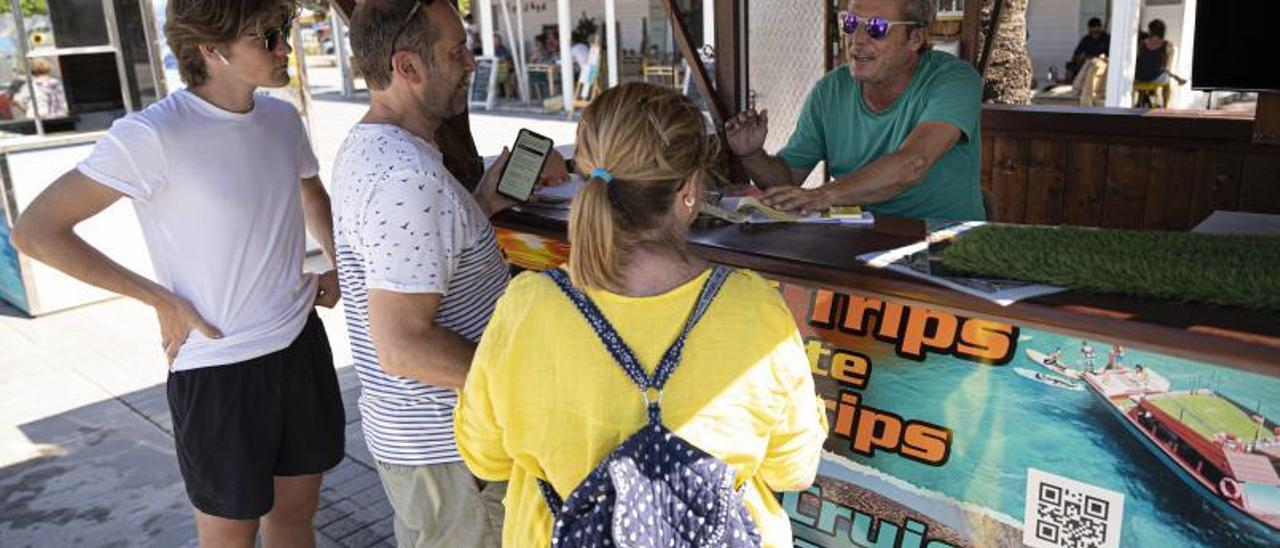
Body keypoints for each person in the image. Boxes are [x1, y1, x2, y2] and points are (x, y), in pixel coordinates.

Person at [10, 1, 344, 546]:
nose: (285, 46)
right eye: (268, 36)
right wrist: (160, 299)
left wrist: (334, 259)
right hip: (218, 368)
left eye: (284, 31)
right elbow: (37, 231)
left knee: (295, 517)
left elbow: (311, 191)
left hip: (299, 343)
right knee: (228, 536)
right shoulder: (153, 134)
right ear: (212, 50)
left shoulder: (282, 118)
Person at [454, 82, 829, 547]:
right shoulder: (756, 309)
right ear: (690, 190)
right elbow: (794, 469)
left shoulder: (526, 306)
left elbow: (484, 456)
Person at [335, 1, 563, 545]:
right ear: (407, 67)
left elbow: (423, 260)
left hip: (431, 447)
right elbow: (404, 347)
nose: (471, 60)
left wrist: (481, 204)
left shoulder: (375, 148)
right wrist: (529, 385)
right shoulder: (407, 180)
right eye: (454, 50)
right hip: (452, 451)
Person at [725, 0, 984, 221]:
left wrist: (824, 195)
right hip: (857, 242)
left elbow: (913, 163)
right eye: (850, 24)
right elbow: (788, 180)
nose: (857, 40)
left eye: (877, 28)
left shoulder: (954, 79)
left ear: (915, 38)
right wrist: (752, 154)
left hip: (946, 247)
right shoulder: (830, 91)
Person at [1134, 19, 1185, 107]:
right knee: (1167, 82)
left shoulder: (1142, 43)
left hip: (1140, 77)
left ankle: (1140, 100)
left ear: (1151, 31)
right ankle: (1166, 105)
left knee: (1146, 70)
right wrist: (1176, 77)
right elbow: (1167, 68)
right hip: (1155, 79)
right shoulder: (1167, 45)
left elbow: (1140, 61)